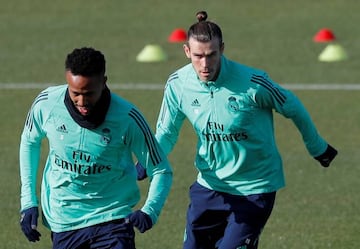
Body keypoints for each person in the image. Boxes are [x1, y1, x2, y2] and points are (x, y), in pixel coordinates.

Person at [136, 11, 338, 249]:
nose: (204, 64)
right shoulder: (178, 84)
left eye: (211, 55)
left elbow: (292, 106)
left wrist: (317, 146)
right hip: (209, 186)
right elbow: (167, 133)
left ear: (222, 48)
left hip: (255, 189)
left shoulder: (253, 83)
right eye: (198, 56)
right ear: (186, 51)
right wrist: (149, 161)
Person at [19, 47, 173, 249]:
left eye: (89, 93)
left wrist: (150, 211)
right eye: (75, 93)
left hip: (112, 218)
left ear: (104, 82)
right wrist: (28, 201)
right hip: (64, 220)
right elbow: (29, 142)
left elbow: (160, 168)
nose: (82, 102)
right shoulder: (46, 104)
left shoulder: (127, 117)